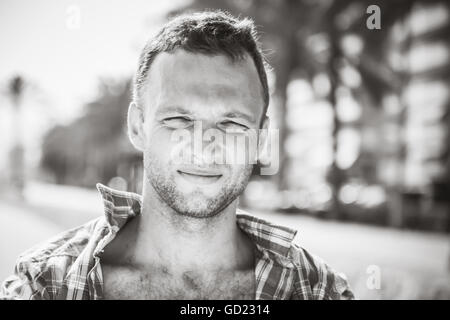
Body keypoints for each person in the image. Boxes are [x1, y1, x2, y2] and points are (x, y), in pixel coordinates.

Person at [0, 10, 354, 300]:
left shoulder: (315, 290)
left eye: (232, 122)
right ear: (138, 126)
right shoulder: (46, 284)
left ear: (261, 139)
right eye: (179, 119)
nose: (203, 144)